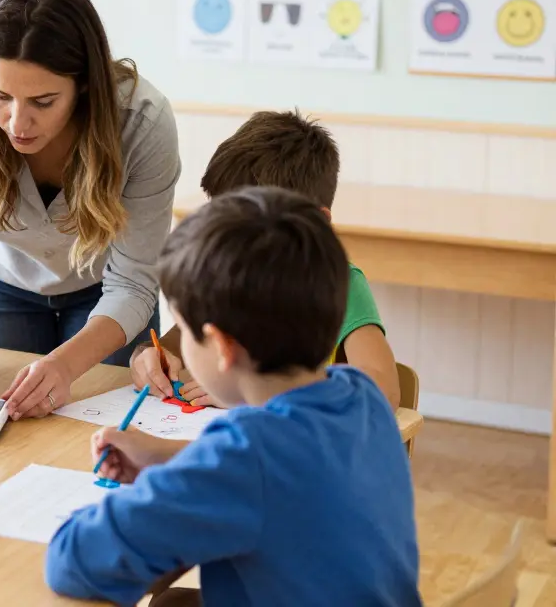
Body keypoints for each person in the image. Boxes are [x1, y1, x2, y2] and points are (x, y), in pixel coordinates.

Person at [45, 186, 420, 607]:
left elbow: (76, 562)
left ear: (222, 346)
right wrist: (170, 460)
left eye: (183, 331)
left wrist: (165, 483)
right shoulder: (363, 397)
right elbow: (286, 468)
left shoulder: (242, 459)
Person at [0, 0, 181, 420]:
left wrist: (65, 366)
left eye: (43, 100)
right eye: (0, 96)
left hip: (106, 291)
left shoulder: (142, 122)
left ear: (85, 87)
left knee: (101, 431)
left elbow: (133, 282)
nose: (18, 122)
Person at [131, 110, 401, 409]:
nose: (232, 243)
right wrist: (147, 356)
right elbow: (172, 346)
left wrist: (256, 396)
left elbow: (384, 391)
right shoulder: (220, 272)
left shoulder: (340, 284)